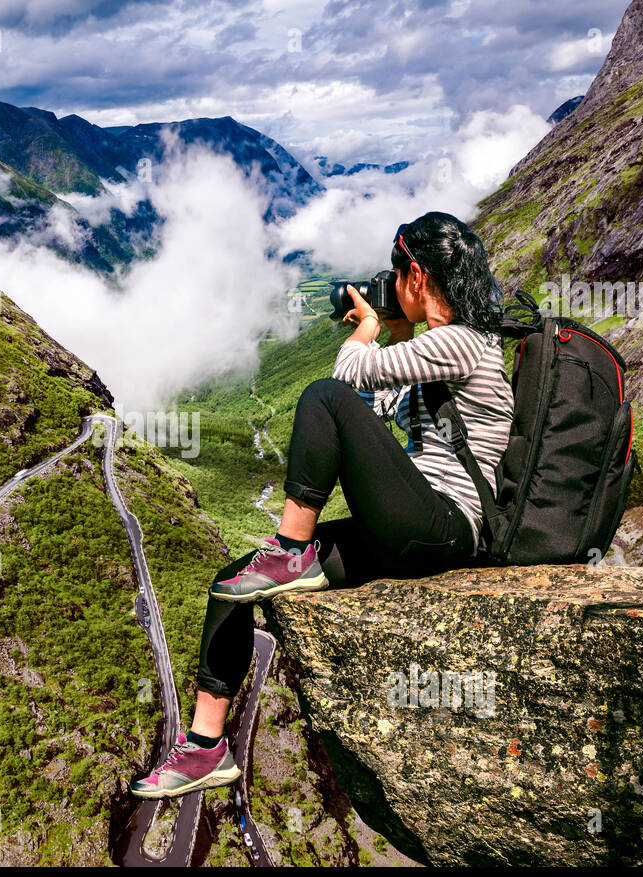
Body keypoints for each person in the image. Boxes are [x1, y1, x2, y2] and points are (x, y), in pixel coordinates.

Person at [130, 211, 515, 799]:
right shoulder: (442, 350)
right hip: (412, 526)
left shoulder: (464, 342)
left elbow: (346, 379)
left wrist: (365, 330)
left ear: (415, 275)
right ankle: (207, 748)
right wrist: (397, 334)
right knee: (233, 581)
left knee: (322, 394)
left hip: (445, 526)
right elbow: (372, 414)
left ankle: (291, 548)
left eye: (395, 274)